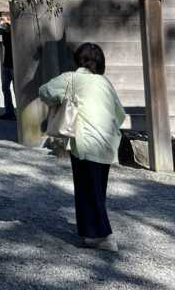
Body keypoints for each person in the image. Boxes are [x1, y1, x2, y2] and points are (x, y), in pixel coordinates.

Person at [39, 42, 126, 252]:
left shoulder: (71, 78)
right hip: (107, 142)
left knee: (88, 189)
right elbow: (120, 114)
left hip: (86, 141)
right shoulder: (105, 83)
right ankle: (90, 232)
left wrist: (63, 99)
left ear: (78, 60)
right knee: (96, 189)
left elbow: (45, 91)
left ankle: (103, 236)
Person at [0, 12, 16, 120]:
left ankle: (18, 110)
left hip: (14, 66)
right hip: (6, 64)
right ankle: (9, 111)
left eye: (4, 20)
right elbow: (0, 29)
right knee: (5, 88)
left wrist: (8, 25)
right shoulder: (4, 32)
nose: (2, 22)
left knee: (16, 89)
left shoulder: (14, 32)